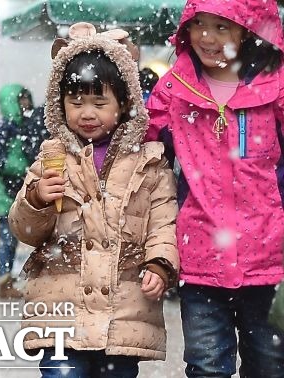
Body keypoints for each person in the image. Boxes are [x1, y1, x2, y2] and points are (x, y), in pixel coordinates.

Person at [8, 22, 179, 376]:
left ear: (125, 102)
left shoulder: (148, 161)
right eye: (76, 102)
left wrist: (160, 264)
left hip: (122, 308)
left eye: (100, 102)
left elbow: (164, 221)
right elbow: (25, 230)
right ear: (60, 104)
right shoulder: (51, 158)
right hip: (61, 310)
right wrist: (37, 199)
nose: (87, 113)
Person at [145, 0, 284, 376]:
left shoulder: (276, 85)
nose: (207, 37)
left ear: (247, 30)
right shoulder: (174, 88)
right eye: (199, 24)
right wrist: (112, 59)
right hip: (201, 257)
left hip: (269, 258)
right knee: (207, 366)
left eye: (222, 27)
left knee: (270, 365)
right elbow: (135, 142)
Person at [0, 85, 42, 299]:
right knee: (7, 238)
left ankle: (10, 280)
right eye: (21, 100)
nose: (25, 105)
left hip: (16, 190)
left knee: (15, 238)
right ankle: (4, 281)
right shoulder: (4, 129)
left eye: (27, 100)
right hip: (3, 192)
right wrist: (22, 168)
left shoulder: (26, 127)